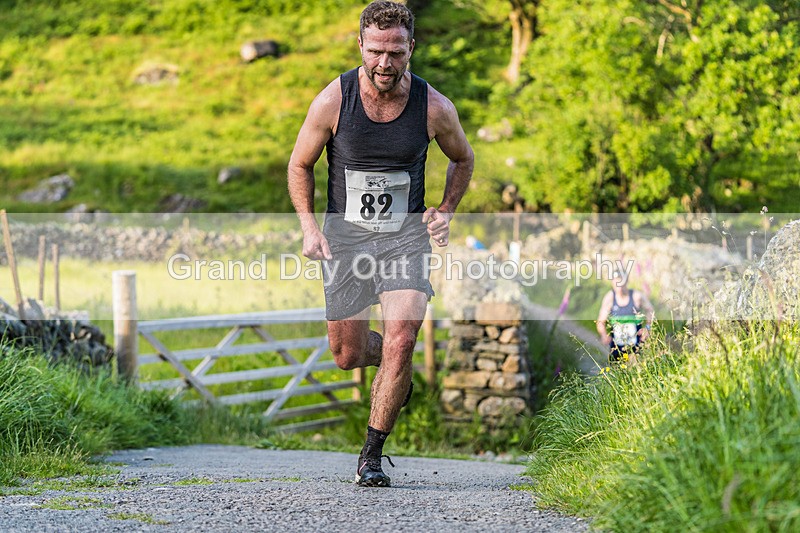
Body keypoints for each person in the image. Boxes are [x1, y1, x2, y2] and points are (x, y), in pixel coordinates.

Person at [287, 1, 474, 487]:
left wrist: (446, 209)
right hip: (345, 244)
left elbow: (463, 158)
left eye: (395, 52)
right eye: (375, 52)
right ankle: (397, 371)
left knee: (401, 338)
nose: (384, 63)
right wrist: (309, 227)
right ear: (360, 46)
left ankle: (371, 456)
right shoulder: (333, 100)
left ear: (412, 47)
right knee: (346, 354)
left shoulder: (434, 107)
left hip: (405, 241)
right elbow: (300, 164)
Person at [596, 269, 654, 364]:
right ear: (612, 283)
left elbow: (650, 311)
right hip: (617, 347)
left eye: (620, 281)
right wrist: (603, 335)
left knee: (636, 369)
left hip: (635, 346)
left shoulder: (636, 296)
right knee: (618, 369)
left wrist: (647, 328)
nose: (618, 284)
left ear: (626, 281)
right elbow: (600, 321)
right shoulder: (610, 298)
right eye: (615, 281)